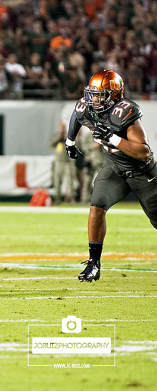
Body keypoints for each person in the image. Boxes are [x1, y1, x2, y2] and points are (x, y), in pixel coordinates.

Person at [65, 69, 157, 282]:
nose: (94, 100)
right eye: (93, 94)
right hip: (114, 167)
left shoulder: (124, 112)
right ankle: (93, 264)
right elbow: (77, 114)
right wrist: (70, 141)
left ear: (114, 95)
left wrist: (114, 139)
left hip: (141, 172)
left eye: (100, 95)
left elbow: (144, 153)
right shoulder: (87, 106)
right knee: (96, 206)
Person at [51, 119, 77, 204]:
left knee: (70, 180)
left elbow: (76, 144)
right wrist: (59, 136)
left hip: (68, 160)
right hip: (59, 160)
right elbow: (52, 144)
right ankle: (57, 197)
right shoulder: (56, 134)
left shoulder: (70, 134)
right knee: (58, 179)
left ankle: (71, 198)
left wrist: (67, 137)